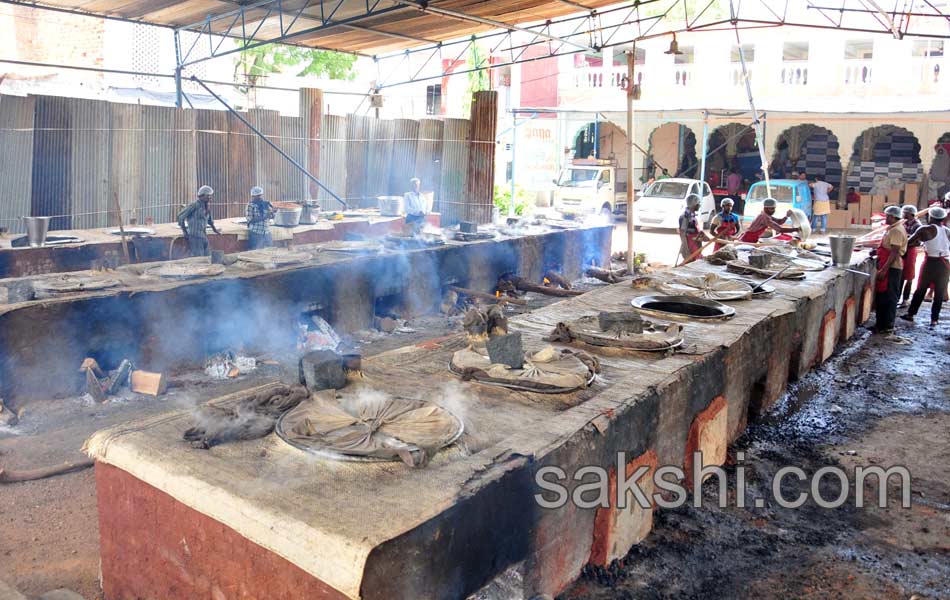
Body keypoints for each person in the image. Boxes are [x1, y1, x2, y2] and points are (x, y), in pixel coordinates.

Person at [900, 206, 949, 327]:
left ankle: (911, 314)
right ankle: (934, 319)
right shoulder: (947, 231)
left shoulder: (925, 229)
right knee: (939, 292)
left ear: (931, 217)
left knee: (921, 289)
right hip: (945, 263)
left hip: (931, 262)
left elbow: (909, 242)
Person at [871, 205, 908, 334]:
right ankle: (880, 324)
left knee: (889, 296)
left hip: (892, 267)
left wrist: (884, 270)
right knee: (882, 296)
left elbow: (894, 251)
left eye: (887, 216)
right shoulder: (892, 228)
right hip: (887, 265)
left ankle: (887, 325)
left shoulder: (896, 230)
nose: (886, 218)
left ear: (892, 217)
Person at [177, 185, 220, 257]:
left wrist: (215, 230)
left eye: (210, 196)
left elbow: (210, 221)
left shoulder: (206, 207)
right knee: (199, 259)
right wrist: (185, 232)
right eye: (208, 196)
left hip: (203, 235)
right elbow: (181, 217)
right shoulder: (194, 205)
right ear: (202, 196)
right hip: (195, 237)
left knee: (208, 257)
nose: (210, 197)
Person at [900, 205, 922, 308]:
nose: (903, 214)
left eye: (904, 212)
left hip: (910, 251)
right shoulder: (903, 223)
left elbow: (918, 242)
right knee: (900, 274)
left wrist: (906, 242)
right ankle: (898, 297)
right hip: (903, 250)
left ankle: (905, 299)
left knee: (909, 276)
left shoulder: (917, 225)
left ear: (909, 214)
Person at [678, 194, 709, 264]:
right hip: (690, 245)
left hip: (695, 244)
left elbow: (696, 230)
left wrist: (703, 235)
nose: (699, 205)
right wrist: (686, 250)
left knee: (696, 263)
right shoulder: (685, 217)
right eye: (698, 204)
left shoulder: (692, 216)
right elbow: (682, 234)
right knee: (691, 264)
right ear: (693, 204)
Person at [245, 186, 274, 250]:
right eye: (257, 196)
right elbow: (250, 219)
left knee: (271, 251)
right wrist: (264, 217)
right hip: (256, 233)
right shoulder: (250, 205)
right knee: (256, 251)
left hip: (266, 231)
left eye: (260, 195)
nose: (260, 197)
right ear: (253, 196)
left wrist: (272, 213)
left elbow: (271, 216)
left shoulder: (265, 204)